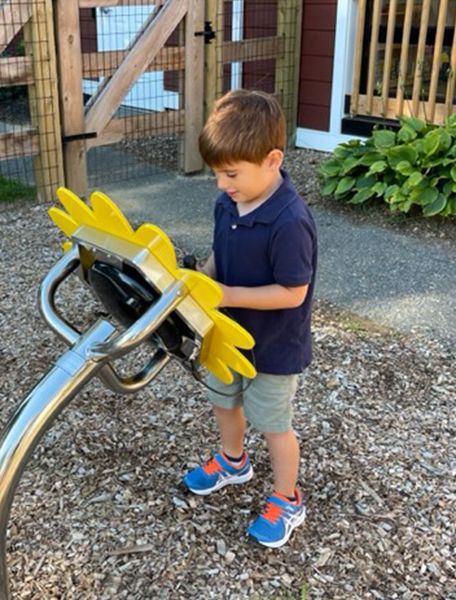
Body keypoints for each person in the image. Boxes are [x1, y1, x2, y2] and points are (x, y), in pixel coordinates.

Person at [183, 89, 317, 548]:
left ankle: (287, 498)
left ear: (272, 159)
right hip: (227, 335)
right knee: (224, 399)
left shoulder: (290, 221)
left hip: (274, 345)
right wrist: (203, 281)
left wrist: (226, 294)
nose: (222, 184)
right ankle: (233, 461)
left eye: (231, 173)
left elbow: (293, 292)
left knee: (273, 422)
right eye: (218, 174)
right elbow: (222, 254)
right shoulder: (228, 203)